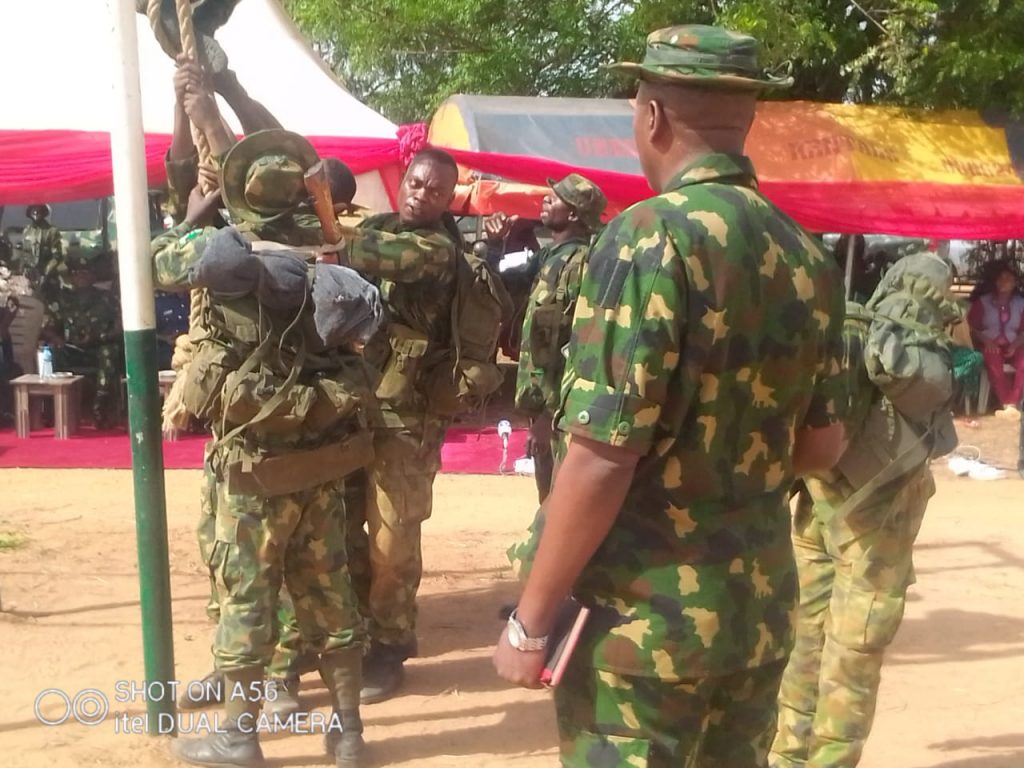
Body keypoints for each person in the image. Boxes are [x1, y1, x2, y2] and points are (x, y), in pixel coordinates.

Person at [492, 25, 847, 767]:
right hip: (753, 618)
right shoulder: (806, 251)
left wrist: (530, 622)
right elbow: (822, 445)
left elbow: (602, 455)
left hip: (644, 631)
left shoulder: (649, 237)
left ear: (651, 117)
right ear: (747, 118)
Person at [154, 157, 380, 768]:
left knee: (247, 601)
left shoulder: (226, 254)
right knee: (331, 598)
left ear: (242, 197)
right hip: (320, 463)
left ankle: (238, 737)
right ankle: (348, 734)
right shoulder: (329, 254)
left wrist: (194, 215)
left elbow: (157, 259)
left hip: (252, 470)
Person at [772, 252, 961, 768]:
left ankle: (787, 754)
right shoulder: (918, 344)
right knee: (852, 654)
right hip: (875, 520)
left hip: (818, 499)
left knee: (804, 635)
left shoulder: (851, 327)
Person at [322, 148, 461, 703]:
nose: (421, 195)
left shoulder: (436, 249)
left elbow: (371, 252)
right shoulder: (379, 226)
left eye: (436, 191)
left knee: (392, 539)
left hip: (407, 418)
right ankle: (355, 631)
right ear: (403, 181)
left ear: (448, 200)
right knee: (342, 526)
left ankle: (390, 644)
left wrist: (326, 232)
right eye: (416, 183)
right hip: (354, 406)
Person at [486, 174, 607, 502]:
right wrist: (495, 244)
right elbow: (494, 284)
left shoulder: (578, 265)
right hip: (547, 407)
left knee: (559, 501)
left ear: (573, 214)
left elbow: (567, 344)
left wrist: (544, 416)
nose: (545, 200)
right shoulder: (548, 258)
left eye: (555, 199)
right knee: (550, 497)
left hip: (560, 412)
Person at [45, 255, 123, 429]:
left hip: (98, 348)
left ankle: (100, 406)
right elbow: (48, 328)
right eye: (76, 273)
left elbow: (120, 326)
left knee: (109, 352)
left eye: (85, 272)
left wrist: (101, 337)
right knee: (53, 353)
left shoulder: (106, 299)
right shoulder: (63, 300)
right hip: (71, 349)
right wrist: (58, 340)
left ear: (93, 276)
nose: (81, 277)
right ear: (71, 278)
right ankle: (56, 409)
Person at [967, 260, 1024, 416]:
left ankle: (1014, 400)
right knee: (993, 359)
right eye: (1001, 278)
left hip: (1015, 344)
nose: (1004, 282)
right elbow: (971, 327)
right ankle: (1007, 402)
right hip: (988, 344)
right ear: (995, 281)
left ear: (1015, 283)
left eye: (1008, 279)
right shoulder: (982, 302)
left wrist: (1015, 344)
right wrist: (986, 341)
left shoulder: (1021, 304)